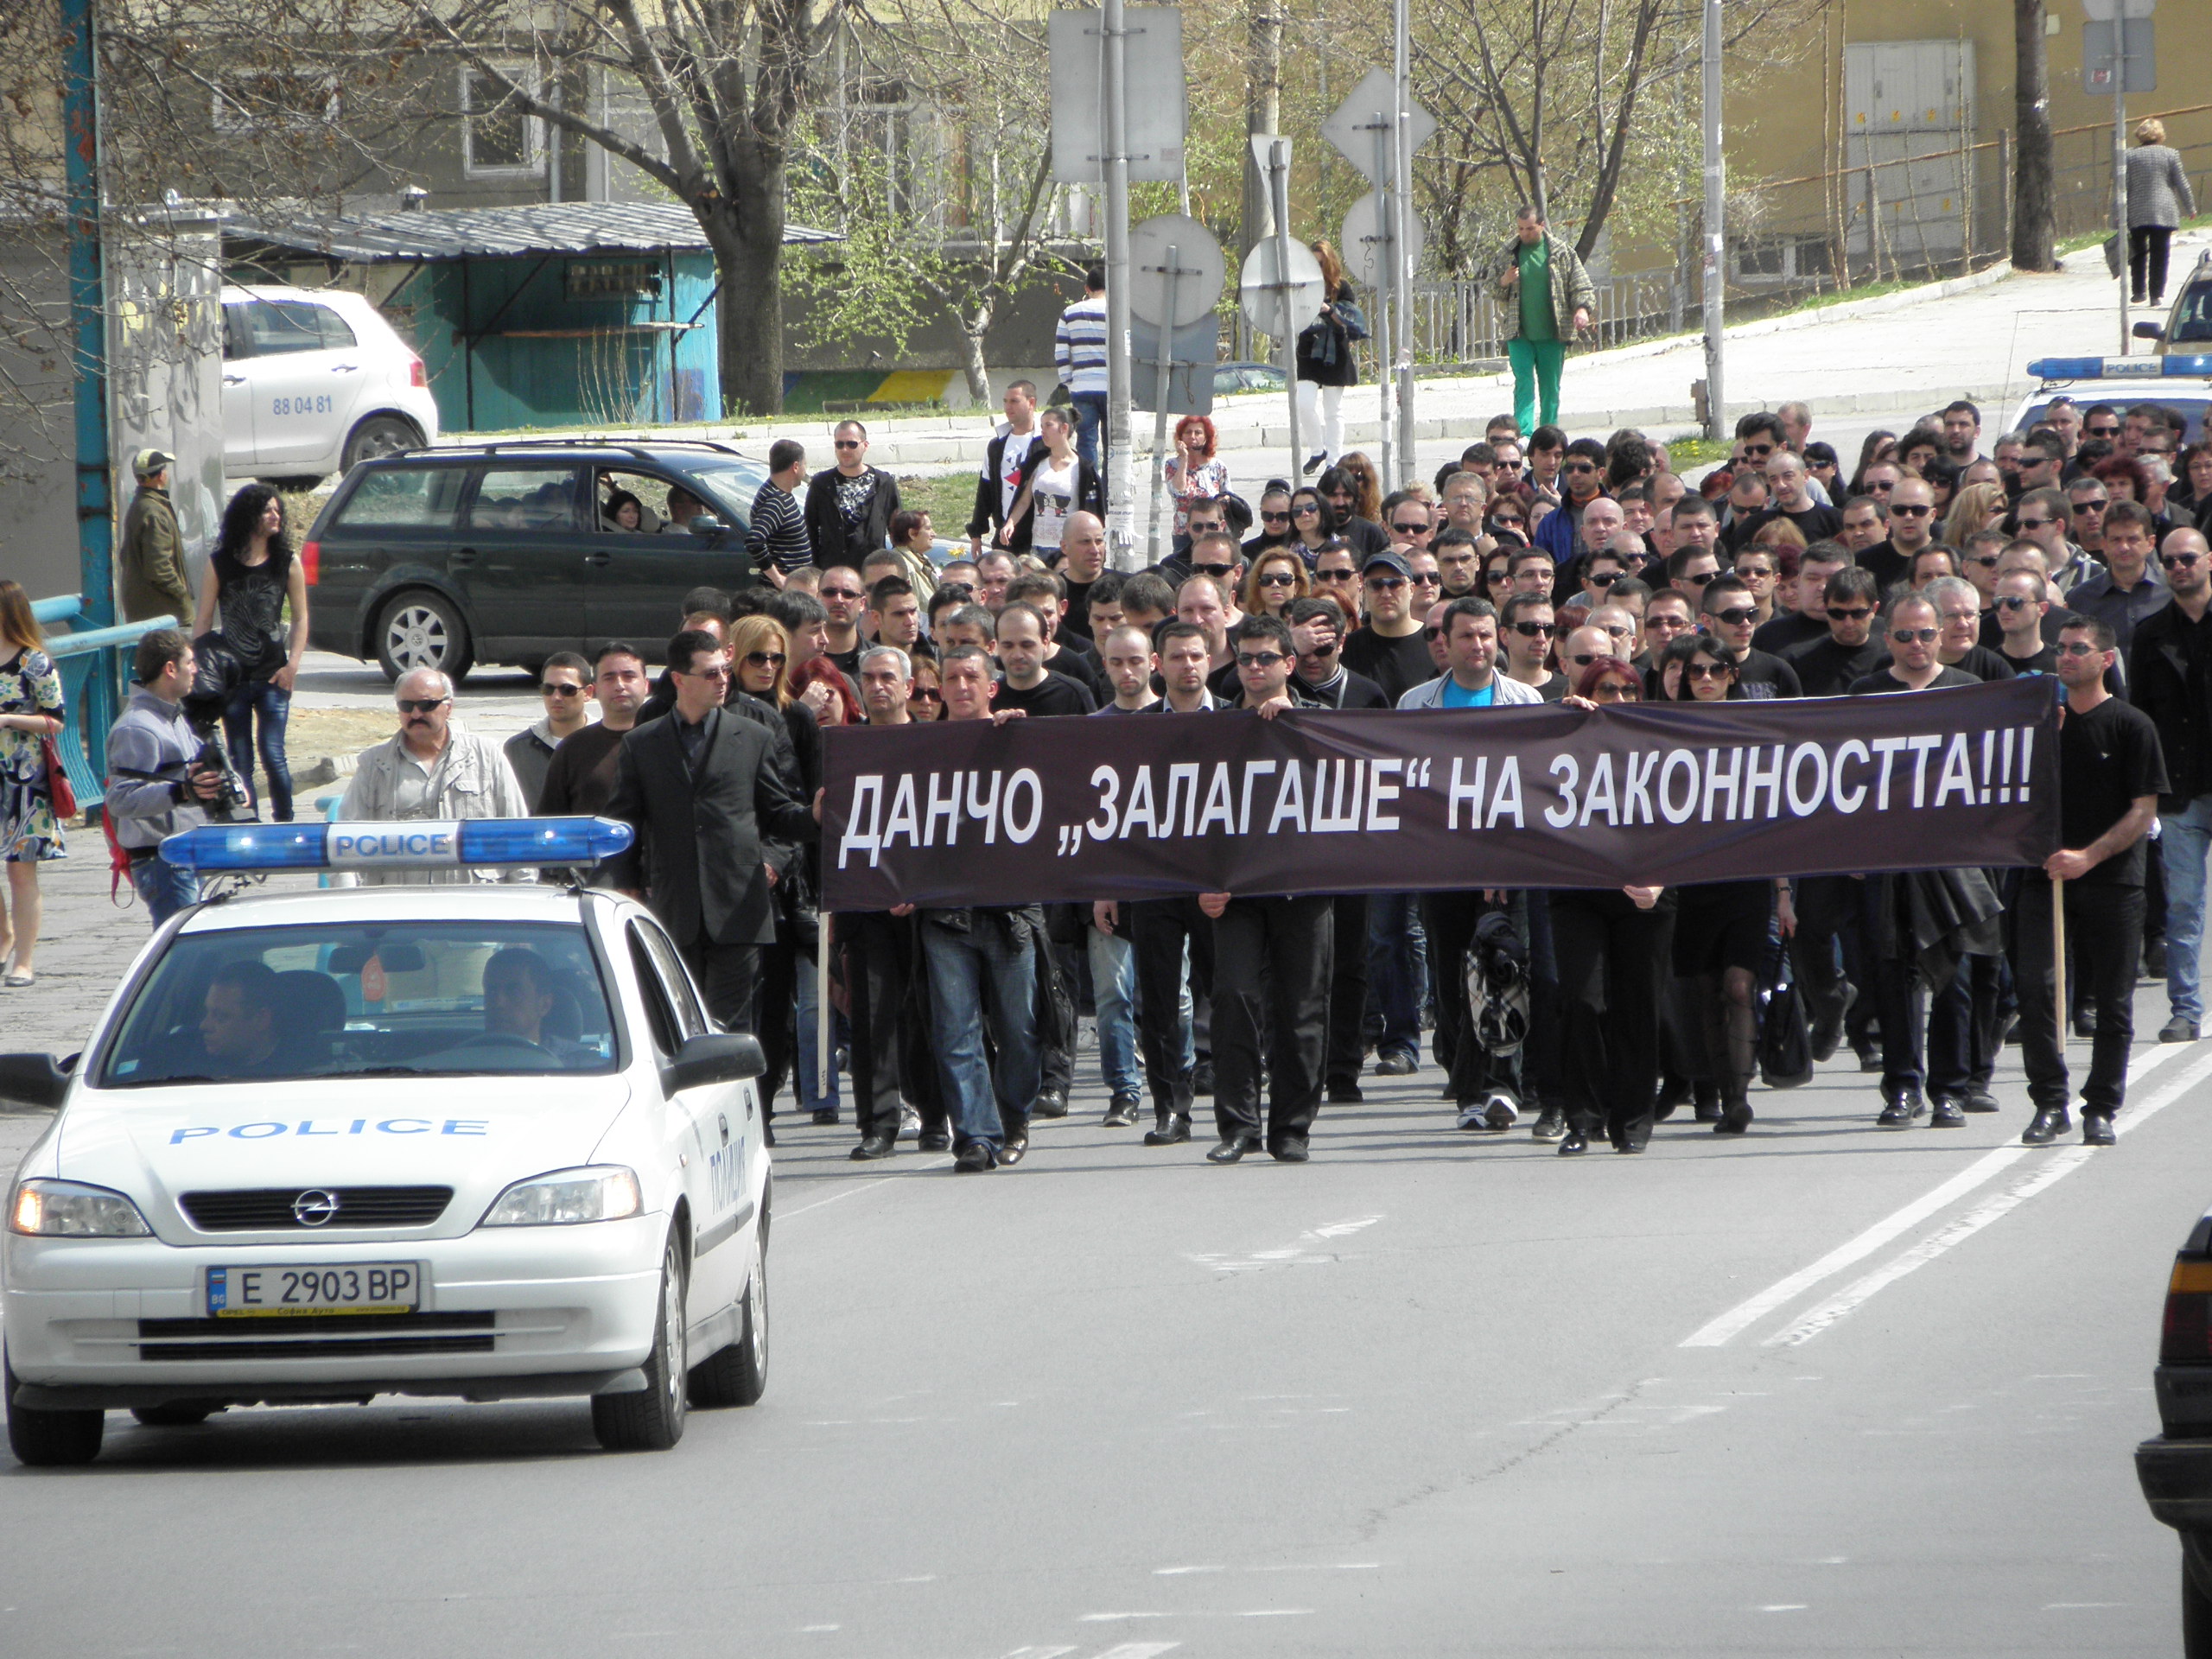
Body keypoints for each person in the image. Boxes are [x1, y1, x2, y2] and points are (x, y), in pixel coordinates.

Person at [604, 629, 818, 1038]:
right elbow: (623, 821)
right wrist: (626, 881)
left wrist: (815, 817)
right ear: (680, 680)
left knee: (730, 1028)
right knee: (679, 1026)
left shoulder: (753, 736)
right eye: (710, 674)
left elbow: (778, 813)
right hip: (673, 906)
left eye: (724, 670)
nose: (723, 680)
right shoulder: (642, 743)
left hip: (738, 906)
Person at [2015, 616, 2167, 1147]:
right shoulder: (2042, 728)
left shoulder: (2132, 726)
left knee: (2113, 1000)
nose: (2066, 657)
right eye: (2061, 648)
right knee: (2036, 988)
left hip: (2114, 881)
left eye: (2078, 649)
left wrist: (2089, 856)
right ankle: (2049, 1102)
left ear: (2105, 659)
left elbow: (2142, 811)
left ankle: (2100, 1106)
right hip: (2045, 877)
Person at [1190, 614, 1333, 1164]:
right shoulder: (1218, 727)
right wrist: (1203, 881)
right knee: (1234, 1001)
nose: (1254, 668)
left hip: (1304, 887)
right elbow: (1193, 812)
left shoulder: (1320, 721)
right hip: (1236, 893)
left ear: (1289, 665)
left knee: (1301, 1009)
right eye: (1245, 658)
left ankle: (1291, 1127)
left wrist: (1296, 725)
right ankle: (1238, 1127)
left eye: (1266, 658)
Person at [1400, 597, 1543, 1131]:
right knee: (1453, 978)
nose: (1477, 646)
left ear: (1499, 639)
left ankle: (1503, 1084)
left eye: (1486, 636)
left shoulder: (1525, 699)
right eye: (1466, 637)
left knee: (1508, 973)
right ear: (1446, 643)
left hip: (1511, 865)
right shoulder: (1416, 703)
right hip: (1443, 866)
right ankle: (1467, 1089)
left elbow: (1534, 786)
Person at [1660, 634, 1792, 1134]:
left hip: (1746, 877)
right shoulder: (1667, 727)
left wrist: (1783, 893)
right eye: (1695, 672)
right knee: (1704, 987)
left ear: (1732, 674)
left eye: (1715, 670)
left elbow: (1777, 810)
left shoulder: (1754, 726)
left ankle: (1737, 1097)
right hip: (1690, 881)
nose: (1706, 679)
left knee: (1739, 987)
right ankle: (1714, 1090)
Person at [922, 646, 1046, 1173]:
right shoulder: (918, 746)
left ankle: (1014, 1117)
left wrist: (1015, 735)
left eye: (971, 676)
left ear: (991, 686)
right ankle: (976, 1135)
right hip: (945, 915)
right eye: (951, 678)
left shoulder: (1013, 737)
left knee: (1019, 1029)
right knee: (957, 1032)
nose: (960, 686)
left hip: (1009, 914)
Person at [1548, 658, 1676, 1154]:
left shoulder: (1661, 743)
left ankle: (1633, 1118)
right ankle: (1583, 1118)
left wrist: (1663, 881)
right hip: (1578, 893)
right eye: (1606, 690)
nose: (1618, 700)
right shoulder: (1567, 732)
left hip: (1646, 893)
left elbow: (1690, 817)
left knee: (1637, 1006)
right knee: (1582, 1001)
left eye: (1628, 691)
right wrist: (1563, 718)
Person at [335, 669, 531, 887]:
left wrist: (521, 898)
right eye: (406, 706)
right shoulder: (373, 765)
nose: (416, 714)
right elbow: (343, 843)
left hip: (474, 904)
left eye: (426, 705)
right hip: (397, 906)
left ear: (448, 707)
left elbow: (519, 835)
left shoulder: (488, 756)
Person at [195, 483, 307, 823]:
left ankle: (285, 823)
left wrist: (293, 666)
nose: (276, 516)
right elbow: (203, 619)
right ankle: (249, 824)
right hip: (233, 679)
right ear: (249, 516)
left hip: (274, 675)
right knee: (240, 758)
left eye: (278, 510)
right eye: (267, 510)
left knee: (274, 753)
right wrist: (198, 671)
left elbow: (301, 617)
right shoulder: (220, 564)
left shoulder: (287, 562)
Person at [105, 627, 224, 926]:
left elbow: (189, 774)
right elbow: (120, 799)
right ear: (170, 669)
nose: (196, 670)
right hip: (164, 861)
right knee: (185, 950)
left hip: (185, 853)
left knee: (196, 950)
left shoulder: (174, 715)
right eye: (190, 663)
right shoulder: (136, 728)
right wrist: (182, 792)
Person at [1489, 204, 1595, 435]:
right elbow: (1492, 288)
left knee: (1550, 389)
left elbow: (1581, 285)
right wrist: (1504, 281)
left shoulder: (1561, 253)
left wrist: (1582, 310)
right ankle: (1524, 434)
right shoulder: (1508, 253)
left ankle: (1548, 434)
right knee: (1524, 383)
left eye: (1529, 228)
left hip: (1553, 333)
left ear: (1542, 225)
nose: (1524, 234)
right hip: (1519, 333)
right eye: (1520, 229)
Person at [538, 643, 649, 823]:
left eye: (629, 676)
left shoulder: (668, 741)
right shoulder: (571, 749)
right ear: (594, 689)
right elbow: (550, 824)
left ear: (646, 685)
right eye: (609, 678)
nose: (620, 685)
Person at [1296, 242, 1363, 476]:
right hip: (1308, 349)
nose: (1317, 267)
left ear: (1330, 262)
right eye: (1313, 262)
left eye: (1321, 262)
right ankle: (1318, 450)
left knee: (1333, 409)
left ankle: (1334, 460)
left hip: (1335, 349)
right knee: (1303, 404)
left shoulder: (1342, 287)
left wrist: (1329, 310)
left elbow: (1350, 319)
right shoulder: (1302, 285)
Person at [1000, 406, 1101, 557]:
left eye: (1048, 425)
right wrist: (1010, 524)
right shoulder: (1037, 462)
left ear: (1064, 428)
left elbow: (1092, 510)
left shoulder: (1083, 468)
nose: (1043, 431)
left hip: (1068, 550)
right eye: (1041, 426)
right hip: (1037, 547)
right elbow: (1024, 501)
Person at [1342, 550, 1438, 703]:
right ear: (1364, 590)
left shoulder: (1434, 642)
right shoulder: (1346, 648)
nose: (1386, 593)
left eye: (1395, 584)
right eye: (1376, 585)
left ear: (1412, 589)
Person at [504, 652, 594, 810]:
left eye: (567, 689)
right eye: (548, 689)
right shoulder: (518, 749)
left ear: (588, 693)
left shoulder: (608, 743)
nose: (556, 697)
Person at [805, 421, 900, 568]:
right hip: (833, 573)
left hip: (872, 573)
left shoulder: (884, 483)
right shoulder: (821, 484)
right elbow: (810, 530)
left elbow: (898, 531)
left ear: (865, 446)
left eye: (852, 444)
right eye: (840, 444)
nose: (845, 449)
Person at [967, 378, 1043, 555]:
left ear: (1031, 403)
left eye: (1015, 401)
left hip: (1037, 537)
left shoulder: (1043, 443)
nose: (1008, 407)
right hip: (1004, 537)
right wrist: (976, 533)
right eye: (1005, 401)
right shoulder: (996, 445)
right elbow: (984, 489)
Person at [2126, 118, 2196, 307]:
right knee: (2160, 253)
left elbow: (2122, 186)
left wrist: (2117, 213)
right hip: (2164, 210)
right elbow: (2181, 183)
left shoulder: (2129, 156)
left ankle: (2138, 291)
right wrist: (2191, 207)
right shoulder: (2170, 154)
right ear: (2160, 134)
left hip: (2136, 211)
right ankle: (2156, 294)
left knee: (2138, 253)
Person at [118, 448, 190, 624]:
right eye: (164, 469)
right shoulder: (154, 512)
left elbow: (124, 555)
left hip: (142, 610)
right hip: (163, 612)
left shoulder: (140, 505)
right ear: (160, 476)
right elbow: (159, 568)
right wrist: (181, 593)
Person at [991, 602, 1096, 716]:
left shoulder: (1073, 694)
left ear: (1045, 642)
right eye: (1008, 646)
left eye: (1027, 645)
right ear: (997, 645)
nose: (1017, 655)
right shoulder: (988, 697)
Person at [748, 439, 812, 580]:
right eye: (804, 465)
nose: (805, 470)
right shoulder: (776, 500)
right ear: (796, 466)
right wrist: (778, 579)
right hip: (783, 593)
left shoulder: (778, 493)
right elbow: (754, 540)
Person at [1165, 415, 1230, 536]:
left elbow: (1229, 495)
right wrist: (1184, 458)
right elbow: (1178, 490)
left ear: (1206, 437)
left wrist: (1221, 502)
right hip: (1184, 534)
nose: (1192, 437)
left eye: (1198, 433)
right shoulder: (1173, 465)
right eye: (1188, 432)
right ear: (1181, 437)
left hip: (1212, 532)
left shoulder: (1218, 466)